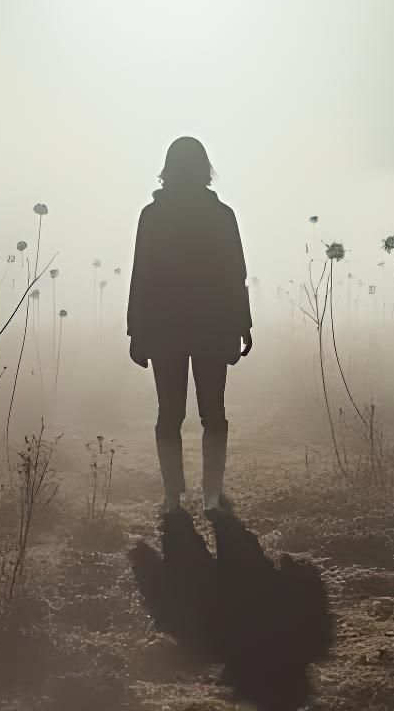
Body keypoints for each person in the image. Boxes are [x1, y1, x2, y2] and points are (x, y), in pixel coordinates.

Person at [127, 136, 253, 514]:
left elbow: (141, 276)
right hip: (212, 325)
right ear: (205, 169)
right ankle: (209, 496)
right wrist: (242, 322)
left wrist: (136, 330)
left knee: (171, 415)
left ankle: (174, 497)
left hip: (167, 328)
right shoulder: (221, 215)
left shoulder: (154, 215)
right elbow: (237, 274)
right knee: (211, 413)